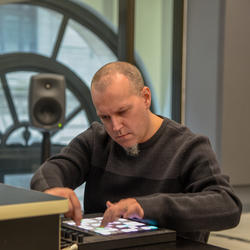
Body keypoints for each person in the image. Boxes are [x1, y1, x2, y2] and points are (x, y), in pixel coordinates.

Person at [30, 61, 242, 243]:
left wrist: (146, 208)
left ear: (146, 98)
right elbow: (51, 169)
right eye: (105, 117)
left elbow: (227, 206)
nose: (115, 126)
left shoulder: (188, 147)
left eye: (123, 112)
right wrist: (51, 190)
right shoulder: (96, 140)